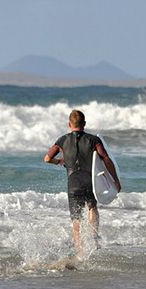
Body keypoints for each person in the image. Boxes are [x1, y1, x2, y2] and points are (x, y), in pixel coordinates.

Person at [44, 110, 121, 256]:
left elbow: (47, 158)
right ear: (84, 124)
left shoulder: (62, 141)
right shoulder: (93, 140)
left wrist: (60, 161)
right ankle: (93, 237)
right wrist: (115, 180)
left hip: (73, 183)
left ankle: (80, 254)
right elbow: (105, 158)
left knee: (76, 220)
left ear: (69, 124)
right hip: (89, 181)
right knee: (92, 207)